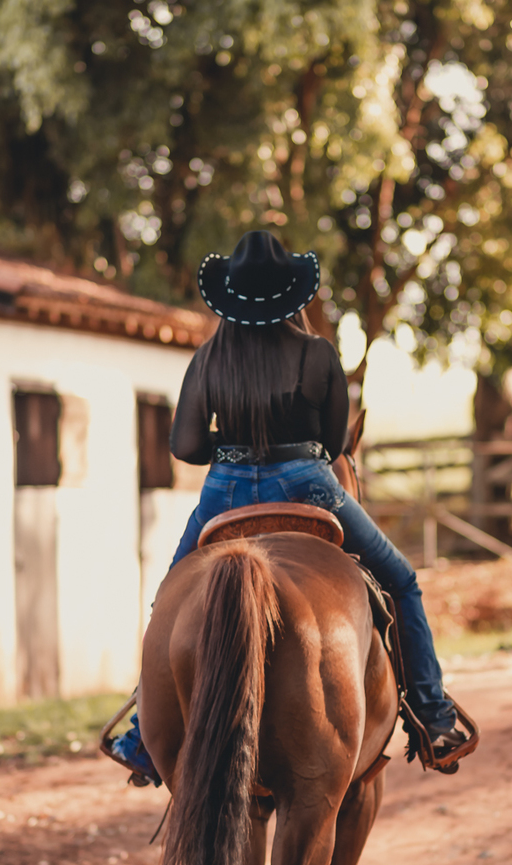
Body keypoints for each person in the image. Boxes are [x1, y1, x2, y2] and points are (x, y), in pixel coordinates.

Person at [116, 232, 473, 785]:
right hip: (307, 482)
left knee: (170, 600)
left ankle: (143, 737)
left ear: (230, 297)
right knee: (400, 582)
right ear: (292, 295)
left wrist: (234, 451)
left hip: (224, 489)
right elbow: (334, 445)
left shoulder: (210, 358)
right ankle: (432, 717)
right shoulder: (317, 354)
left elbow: (185, 447)